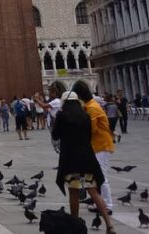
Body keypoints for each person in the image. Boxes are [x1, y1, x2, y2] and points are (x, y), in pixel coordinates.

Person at [53, 91, 114, 233]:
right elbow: (89, 134)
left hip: (71, 160)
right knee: (93, 191)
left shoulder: (62, 115)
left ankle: (75, 225)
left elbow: (55, 135)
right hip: (87, 158)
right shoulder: (86, 116)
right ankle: (109, 224)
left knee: (74, 192)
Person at [75, 81, 114, 214]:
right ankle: (101, 203)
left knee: (101, 176)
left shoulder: (92, 108)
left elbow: (90, 129)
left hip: (102, 146)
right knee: (97, 177)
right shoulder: (89, 106)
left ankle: (107, 206)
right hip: (97, 145)